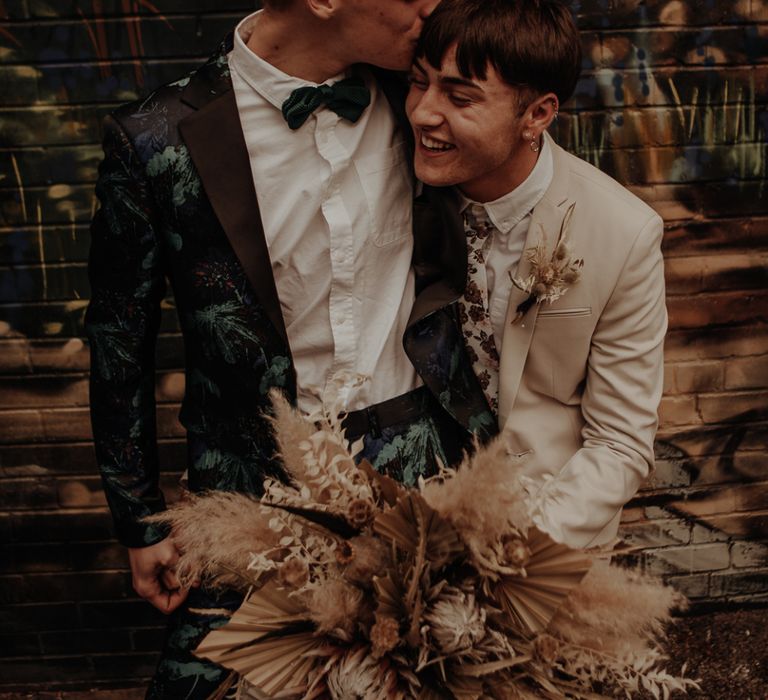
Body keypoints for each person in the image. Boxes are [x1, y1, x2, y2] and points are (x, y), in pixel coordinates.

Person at [85, 0, 500, 696]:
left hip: (420, 476)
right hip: (250, 491)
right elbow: (117, 345)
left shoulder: (425, 104)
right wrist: (136, 514)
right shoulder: (157, 141)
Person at [402, 0, 667, 549]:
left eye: (460, 97)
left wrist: (517, 547)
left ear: (538, 115)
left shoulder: (623, 233)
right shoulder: (388, 194)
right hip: (401, 529)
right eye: (418, 83)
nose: (423, 113)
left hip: (542, 537)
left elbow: (619, 442)